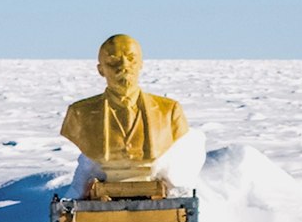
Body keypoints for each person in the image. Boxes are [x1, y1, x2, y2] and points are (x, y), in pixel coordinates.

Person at [61, 34, 200, 197]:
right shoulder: (79, 113)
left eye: (131, 58)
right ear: (100, 69)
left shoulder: (169, 111)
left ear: (141, 64)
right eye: (113, 60)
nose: (124, 66)